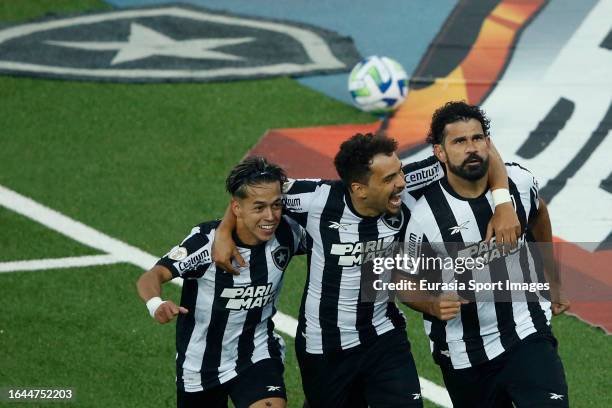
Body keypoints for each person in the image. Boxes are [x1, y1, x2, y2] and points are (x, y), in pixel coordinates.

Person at [213, 133, 520, 407]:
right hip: (324, 348)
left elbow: (487, 151)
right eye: (388, 178)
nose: (400, 182)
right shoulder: (316, 199)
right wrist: (225, 232)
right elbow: (253, 192)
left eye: (399, 171)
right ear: (359, 188)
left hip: (383, 337)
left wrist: (503, 203)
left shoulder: (407, 183)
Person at [400, 101, 570, 407]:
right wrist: (431, 304)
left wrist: (551, 279)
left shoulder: (517, 183)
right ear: (440, 152)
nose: (471, 148)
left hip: (526, 329)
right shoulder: (425, 217)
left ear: (489, 145)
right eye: (459, 141)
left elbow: (539, 213)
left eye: (477, 139)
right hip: (463, 350)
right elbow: (403, 280)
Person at [136, 156, 305, 408]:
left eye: (277, 205)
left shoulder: (289, 233)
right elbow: (153, 276)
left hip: (256, 353)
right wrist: (156, 304)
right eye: (259, 208)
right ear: (236, 208)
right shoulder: (206, 242)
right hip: (200, 365)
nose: (270, 216)